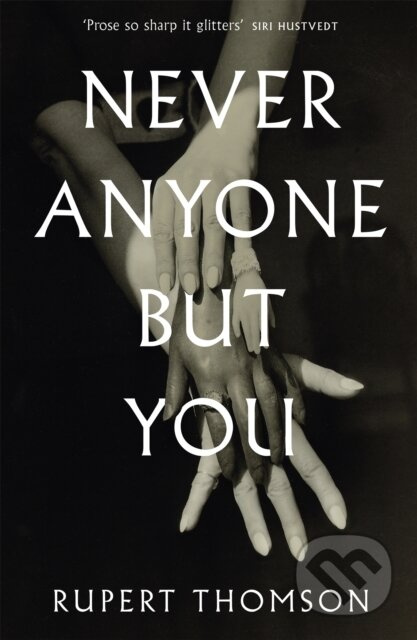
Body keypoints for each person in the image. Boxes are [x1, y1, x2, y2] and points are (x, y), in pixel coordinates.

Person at [26, 0, 364, 560]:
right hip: (80, 265)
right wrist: (200, 318)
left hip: (231, 240)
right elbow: (71, 148)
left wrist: (226, 137)